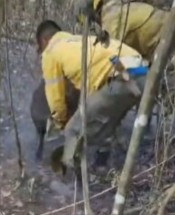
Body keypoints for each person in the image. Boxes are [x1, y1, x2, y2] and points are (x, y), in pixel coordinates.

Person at [36, 20, 148, 173]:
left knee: (73, 130)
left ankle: (72, 180)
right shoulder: (79, 41)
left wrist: (60, 122)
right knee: (105, 120)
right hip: (142, 73)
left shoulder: (50, 51)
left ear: (44, 40)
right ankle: (102, 165)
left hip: (121, 78)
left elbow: (56, 100)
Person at [74, 0, 169, 62]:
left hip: (164, 35)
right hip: (161, 34)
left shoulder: (110, 15)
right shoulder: (115, 6)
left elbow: (112, 53)